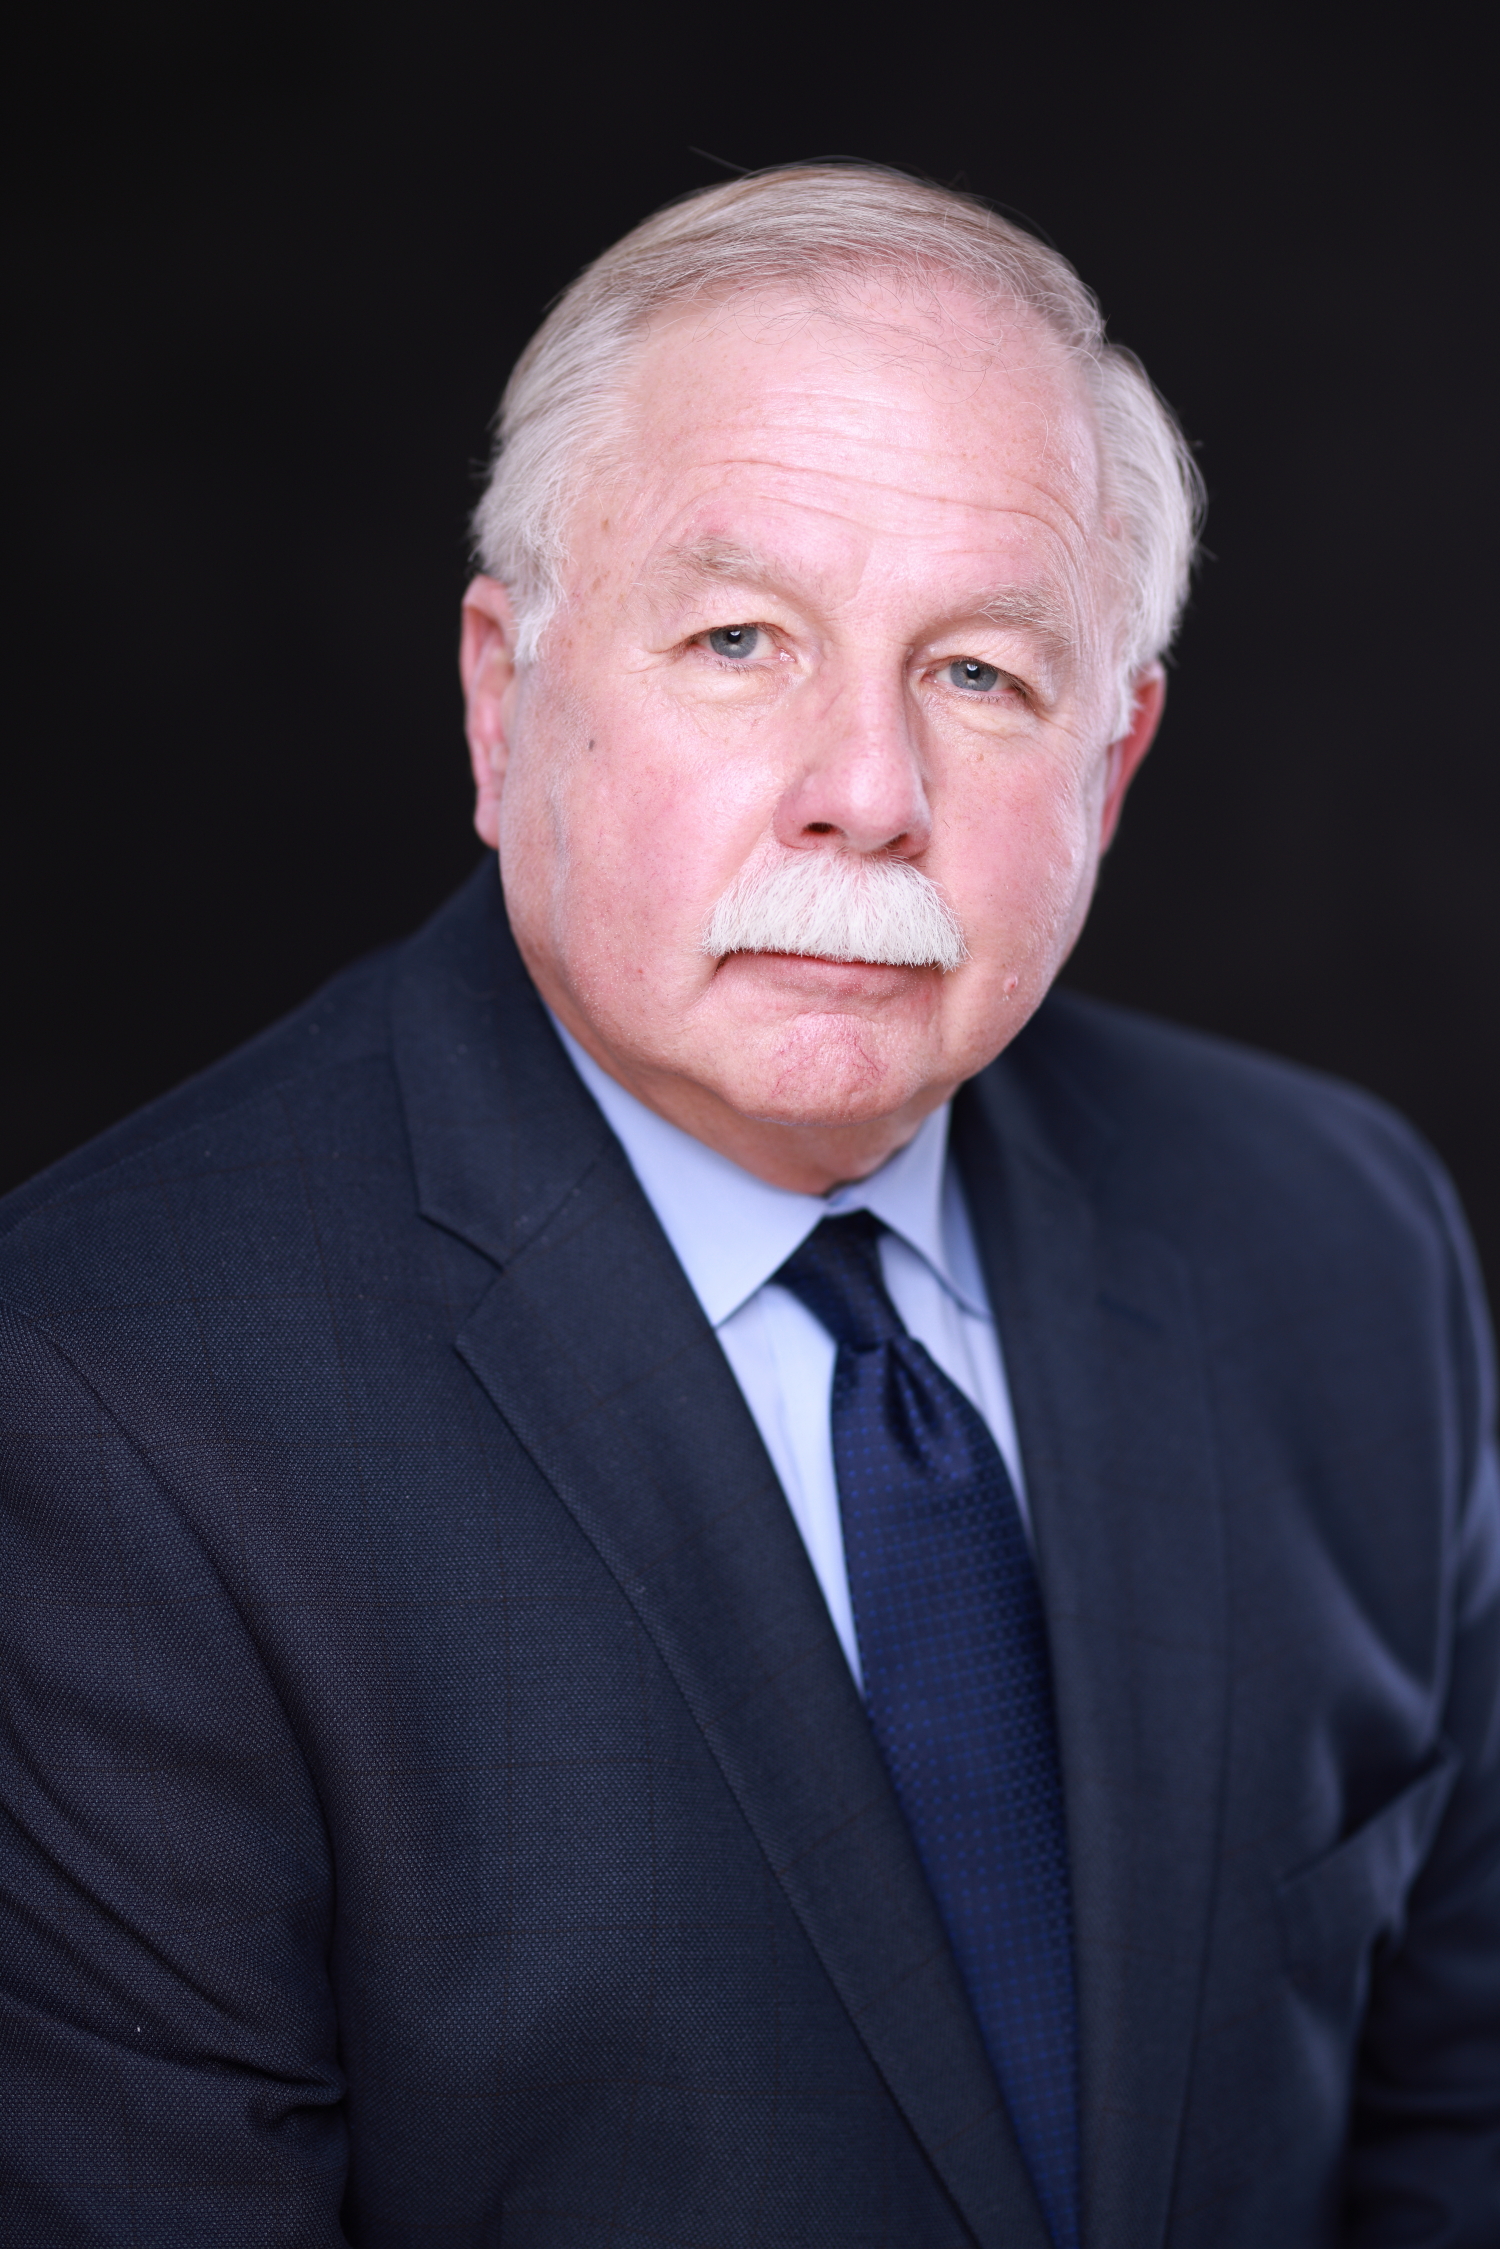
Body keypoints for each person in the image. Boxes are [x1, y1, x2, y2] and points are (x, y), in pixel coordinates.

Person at [1, 165, 1495, 2249]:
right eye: (739, 641)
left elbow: (1458, 2109)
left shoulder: (1339, 1245)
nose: (867, 789)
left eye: (980, 674)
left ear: (1115, 759)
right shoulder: (104, 1411)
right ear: (503, 703)